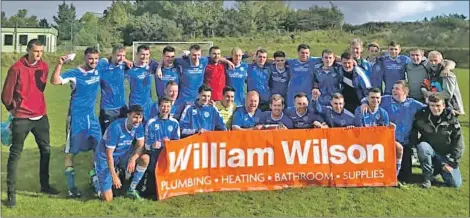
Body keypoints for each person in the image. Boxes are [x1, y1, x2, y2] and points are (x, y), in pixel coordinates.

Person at [2, 39, 59, 207]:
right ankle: (11, 194)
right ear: (28, 50)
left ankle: (45, 185)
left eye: (41, 51)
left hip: (41, 116)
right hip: (22, 118)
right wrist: (14, 109)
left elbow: (40, 88)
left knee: (46, 151)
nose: (39, 55)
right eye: (35, 51)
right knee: (15, 155)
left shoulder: (44, 67)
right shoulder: (16, 69)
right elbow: (6, 95)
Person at [51, 47, 103, 198]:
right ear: (85, 58)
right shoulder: (75, 73)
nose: (93, 62)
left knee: (98, 147)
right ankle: (71, 187)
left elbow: (114, 59)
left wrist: (125, 59)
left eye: (96, 59)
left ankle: (95, 181)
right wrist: (60, 63)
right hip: (76, 118)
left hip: (91, 117)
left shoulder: (98, 68)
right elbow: (54, 81)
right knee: (70, 152)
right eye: (90, 59)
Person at [361, 80, 426, 183]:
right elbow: (368, 98)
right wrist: (364, 103)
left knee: (405, 177)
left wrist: (449, 110)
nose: (393, 90)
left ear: (405, 91)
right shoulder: (385, 100)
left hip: (405, 142)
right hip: (387, 141)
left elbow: (429, 108)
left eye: (397, 88)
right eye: (393, 88)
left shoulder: (413, 104)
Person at [94, 105, 149, 201]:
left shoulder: (138, 125)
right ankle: (95, 181)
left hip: (123, 153)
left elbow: (141, 145)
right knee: (108, 198)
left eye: (140, 117)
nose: (138, 120)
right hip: (104, 158)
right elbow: (109, 155)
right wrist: (114, 176)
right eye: (135, 117)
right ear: (128, 115)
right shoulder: (116, 128)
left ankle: (132, 189)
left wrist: (133, 158)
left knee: (145, 158)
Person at [410, 93, 464, 189]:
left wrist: (452, 162)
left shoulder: (451, 119)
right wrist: (414, 149)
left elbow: (458, 143)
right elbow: (413, 134)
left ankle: (437, 169)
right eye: (432, 105)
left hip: (446, 156)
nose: (435, 108)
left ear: (444, 105)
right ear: (428, 105)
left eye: (438, 105)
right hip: (430, 152)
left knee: (455, 184)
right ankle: (427, 178)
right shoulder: (421, 116)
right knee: (423, 146)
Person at [143, 97, 180, 198]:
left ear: (171, 107)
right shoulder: (151, 123)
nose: (165, 109)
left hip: (168, 156)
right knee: (151, 192)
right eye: (163, 106)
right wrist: (152, 145)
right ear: (158, 107)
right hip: (155, 156)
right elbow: (146, 144)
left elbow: (178, 144)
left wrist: (170, 143)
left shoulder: (175, 123)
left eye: (168, 106)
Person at [98, 44, 130, 134]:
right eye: (118, 55)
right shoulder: (103, 65)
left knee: (123, 133)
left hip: (122, 107)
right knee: (107, 135)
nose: (121, 58)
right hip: (108, 108)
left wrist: (126, 60)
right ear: (112, 54)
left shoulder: (123, 66)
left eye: (123, 56)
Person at [422, 51, 464, 115]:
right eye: (431, 60)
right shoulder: (430, 72)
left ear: (441, 61)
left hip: (451, 107)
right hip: (437, 106)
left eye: (436, 60)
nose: (433, 63)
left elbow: (447, 94)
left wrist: (430, 94)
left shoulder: (447, 74)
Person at [126, 44, 156, 123]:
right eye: (142, 54)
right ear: (137, 54)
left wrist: (159, 68)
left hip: (148, 104)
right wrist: (125, 60)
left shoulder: (152, 66)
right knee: (135, 126)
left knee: (148, 126)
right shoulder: (130, 67)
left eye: (147, 54)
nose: (145, 56)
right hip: (135, 103)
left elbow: (168, 62)